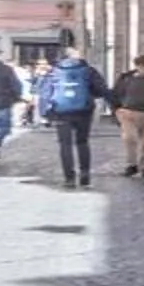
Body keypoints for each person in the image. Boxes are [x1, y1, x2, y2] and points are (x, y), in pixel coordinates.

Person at [35, 47, 103, 187]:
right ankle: (85, 175)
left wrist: (45, 114)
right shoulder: (88, 70)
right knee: (82, 142)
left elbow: (45, 93)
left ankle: (69, 178)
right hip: (84, 111)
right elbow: (100, 89)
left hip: (61, 112)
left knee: (65, 145)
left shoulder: (54, 71)